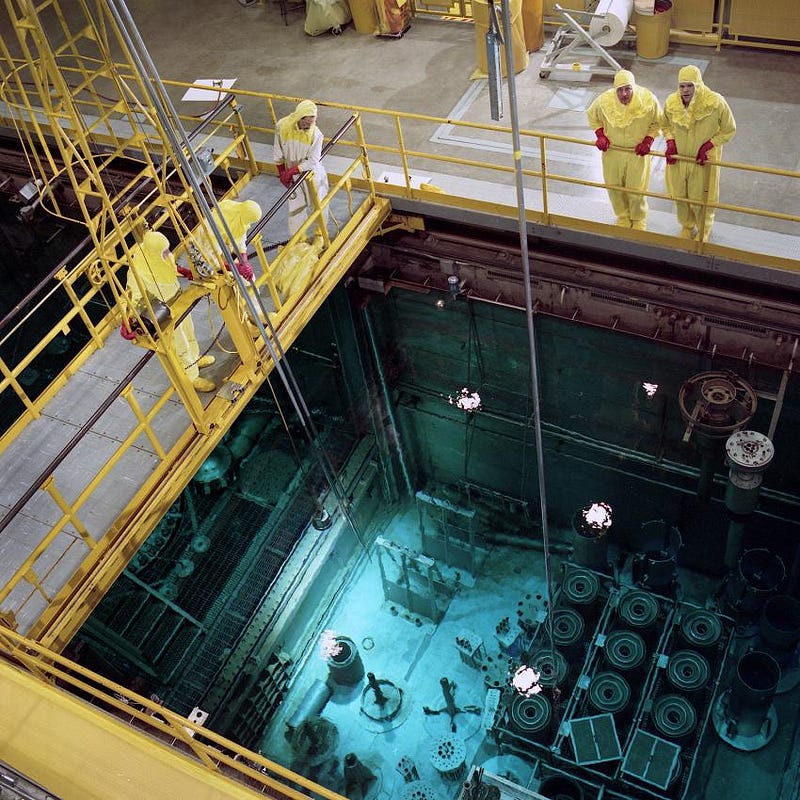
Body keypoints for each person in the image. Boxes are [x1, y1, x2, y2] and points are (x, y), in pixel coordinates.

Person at [124, 229, 216, 393]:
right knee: (180, 344)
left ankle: (195, 359)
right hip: (165, 312)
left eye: (167, 251)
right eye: (164, 252)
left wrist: (183, 272)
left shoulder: (161, 253)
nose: (168, 254)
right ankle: (192, 376)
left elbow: (170, 267)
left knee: (189, 332)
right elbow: (133, 297)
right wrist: (128, 321)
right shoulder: (137, 270)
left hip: (179, 299)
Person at [661, 64, 736, 241]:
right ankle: (687, 225)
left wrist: (710, 144)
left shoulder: (715, 103)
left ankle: (704, 229)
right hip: (679, 160)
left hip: (703, 161)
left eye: (690, 86)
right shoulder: (671, 102)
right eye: (682, 86)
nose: (685, 90)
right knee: (680, 195)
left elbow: (729, 129)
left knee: (702, 196)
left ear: (698, 85)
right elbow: (665, 124)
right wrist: (670, 141)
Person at [586, 69, 662, 230]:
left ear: (633, 87)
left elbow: (658, 122)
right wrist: (600, 135)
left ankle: (638, 219)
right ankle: (623, 216)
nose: (624, 94)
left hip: (637, 153)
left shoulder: (648, 100)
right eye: (620, 90)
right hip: (612, 152)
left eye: (628, 88)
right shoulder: (604, 101)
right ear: (615, 90)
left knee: (636, 188)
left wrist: (648, 141)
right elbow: (592, 116)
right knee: (613, 186)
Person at [273, 99, 329, 241]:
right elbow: (278, 150)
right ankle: (299, 239)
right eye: (306, 122)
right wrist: (281, 173)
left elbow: (313, 160)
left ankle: (320, 234)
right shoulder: (282, 126)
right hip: (293, 175)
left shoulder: (316, 135)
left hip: (312, 174)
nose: (308, 126)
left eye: (312, 123)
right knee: (296, 207)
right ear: (299, 117)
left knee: (319, 204)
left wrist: (291, 171)